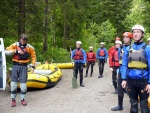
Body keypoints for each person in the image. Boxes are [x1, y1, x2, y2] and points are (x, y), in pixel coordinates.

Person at [121, 25, 150, 113]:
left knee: (144, 106)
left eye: (138, 32)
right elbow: (125, 64)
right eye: (134, 32)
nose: (135, 34)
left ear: (142, 34)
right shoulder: (128, 48)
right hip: (131, 80)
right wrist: (124, 79)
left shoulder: (147, 48)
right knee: (133, 104)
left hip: (143, 81)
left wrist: (149, 82)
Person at [6, 34, 36, 107]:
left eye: (24, 41)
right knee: (13, 84)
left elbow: (33, 56)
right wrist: (16, 51)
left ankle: (23, 99)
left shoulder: (29, 47)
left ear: (26, 41)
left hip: (24, 67)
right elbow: (6, 51)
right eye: (21, 40)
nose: (22, 42)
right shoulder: (15, 45)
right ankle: (13, 100)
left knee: (23, 85)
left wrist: (33, 66)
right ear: (20, 39)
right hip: (15, 66)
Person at [111, 32, 132, 111]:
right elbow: (120, 61)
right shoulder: (121, 48)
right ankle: (120, 105)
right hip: (121, 71)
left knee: (130, 90)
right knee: (120, 89)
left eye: (127, 37)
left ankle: (135, 105)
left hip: (129, 72)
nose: (125, 39)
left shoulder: (131, 48)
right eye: (124, 37)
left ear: (130, 39)